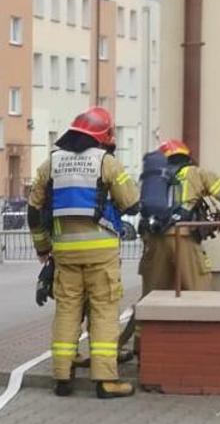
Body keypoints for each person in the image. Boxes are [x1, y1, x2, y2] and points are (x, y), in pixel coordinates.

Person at [27, 107, 139, 399]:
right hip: (101, 251)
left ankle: (62, 376)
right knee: (103, 311)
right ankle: (105, 380)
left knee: (67, 310)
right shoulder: (107, 162)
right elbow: (130, 203)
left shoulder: (51, 162)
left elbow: (33, 209)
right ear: (104, 137)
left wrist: (43, 248)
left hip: (65, 253)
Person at [140, 139, 220, 293]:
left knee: (153, 295)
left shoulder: (153, 178)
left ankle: (148, 317)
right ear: (186, 156)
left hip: (154, 239)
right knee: (199, 292)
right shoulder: (196, 173)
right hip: (182, 237)